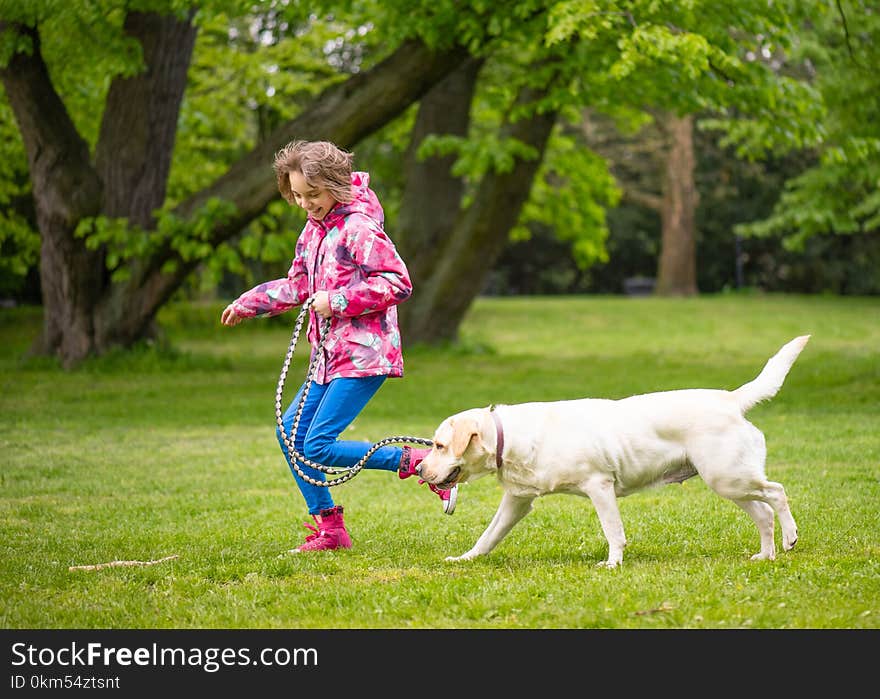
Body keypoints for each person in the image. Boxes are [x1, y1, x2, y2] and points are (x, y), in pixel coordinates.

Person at [221, 140, 456, 553]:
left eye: (313, 194)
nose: (305, 203)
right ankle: (330, 529)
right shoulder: (314, 230)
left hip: (365, 354)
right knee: (289, 434)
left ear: (337, 185)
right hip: (327, 356)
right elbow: (298, 285)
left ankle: (418, 464)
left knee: (316, 445)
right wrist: (249, 302)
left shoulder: (359, 228)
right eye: (297, 195)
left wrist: (339, 300)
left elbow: (398, 282)